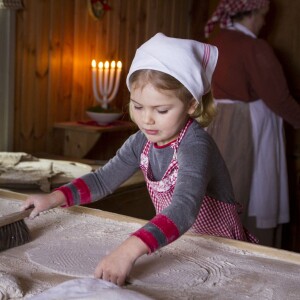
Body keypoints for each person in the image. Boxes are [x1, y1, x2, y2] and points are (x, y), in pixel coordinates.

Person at [22, 32, 257, 286]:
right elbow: (102, 180)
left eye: (161, 110)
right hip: (177, 244)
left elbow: (184, 208)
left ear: (191, 104)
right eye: (138, 106)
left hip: (220, 249)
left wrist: (128, 250)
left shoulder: (195, 144)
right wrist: (53, 198)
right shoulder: (140, 142)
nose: (147, 120)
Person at [204, 0, 300, 247]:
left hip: (217, 124)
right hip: (248, 129)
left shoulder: (217, 41)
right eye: (263, 15)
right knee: (252, 191)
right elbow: (279, 99)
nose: (265, 22)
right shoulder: (253, 47)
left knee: (224, 190)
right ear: (252, 14)